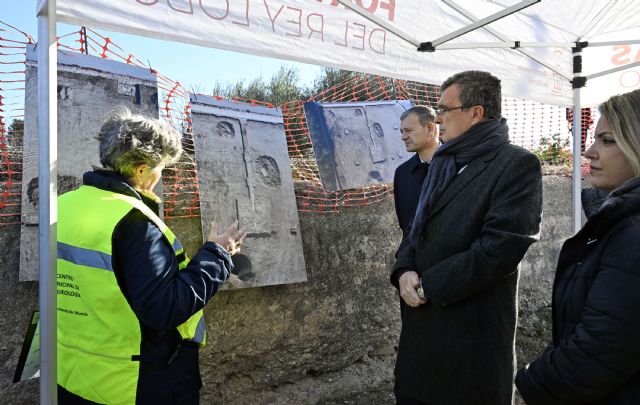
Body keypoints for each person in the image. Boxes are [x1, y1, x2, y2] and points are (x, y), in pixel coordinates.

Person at [56, 106, 246, 404]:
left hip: (74, 375)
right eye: (161, 168)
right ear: (142, 169)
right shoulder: (133, 222)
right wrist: (218, 254)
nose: (161, 176)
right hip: (135, 383)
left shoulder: (64, 205)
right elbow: (165, 309)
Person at [390, 70, 543, 404]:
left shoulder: (516, 165)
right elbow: (415, 231)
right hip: (420, 340)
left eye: (446, 109)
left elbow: (498, 250)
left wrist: (427, 284)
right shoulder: (442, 162)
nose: (438, 117)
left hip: (469, 345)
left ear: (476, 113)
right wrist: (403, 271)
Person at [515, 89, 640, 404]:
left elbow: (597, 354)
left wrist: (531, 380)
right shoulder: (616, 221)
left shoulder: (632, 232)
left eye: (607, 140)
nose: (589, 152)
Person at [394, 106, 439, 239]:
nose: (403, 137)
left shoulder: (457, 165)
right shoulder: (402, 173)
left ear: (430, 129)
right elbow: (405, 223)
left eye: (408, 131)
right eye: (401, 131)